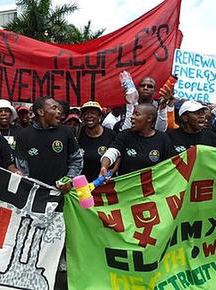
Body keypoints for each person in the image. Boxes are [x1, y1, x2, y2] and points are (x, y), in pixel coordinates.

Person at [14, 96, 83, 290]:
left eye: (60, 108)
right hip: (36, 201)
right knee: (36, 241)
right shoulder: (23, 136)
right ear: (40, 112)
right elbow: (22, 168)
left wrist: (68, 179)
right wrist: (32, 187)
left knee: (62, 241)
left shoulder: (66, 133)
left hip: (64, 199)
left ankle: (61, 281)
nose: (59, 111)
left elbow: (77, 160)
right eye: (54, 108)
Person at [100, 103, 174, 176]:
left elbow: (169, 165)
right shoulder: (125, 135)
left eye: (137, 114)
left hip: (152, 186)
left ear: (149, 118)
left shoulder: (162, 138)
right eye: (132, 114)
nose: (132, 117)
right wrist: (104, 167)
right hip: (126, 186)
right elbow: (112, 152)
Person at [78, 101, 116, 181]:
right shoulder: (77, 134)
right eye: (86, 113)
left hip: (104, 183)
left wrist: (112, 171)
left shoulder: (111, 134)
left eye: (93, 113)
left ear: (100, 116)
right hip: (83, 185)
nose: (89, 116)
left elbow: (118, 155)